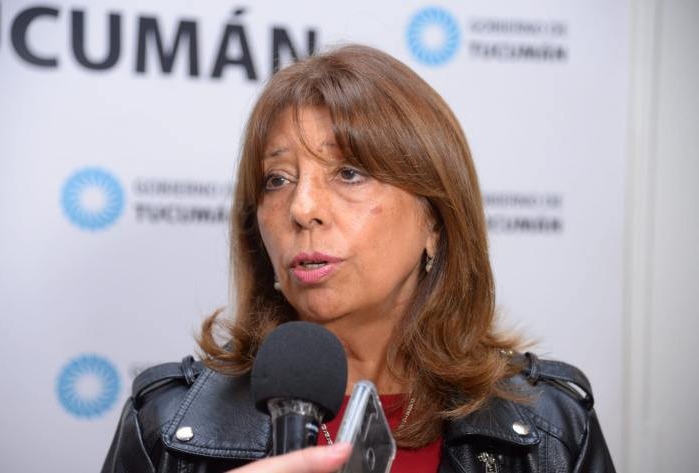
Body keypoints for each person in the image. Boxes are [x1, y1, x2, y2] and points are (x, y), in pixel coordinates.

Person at [102, 44, 615, 473]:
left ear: (435, 222)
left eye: (349, 173)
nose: (301, 208)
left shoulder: (551, 426)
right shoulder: (166, 426)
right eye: (277, 179)